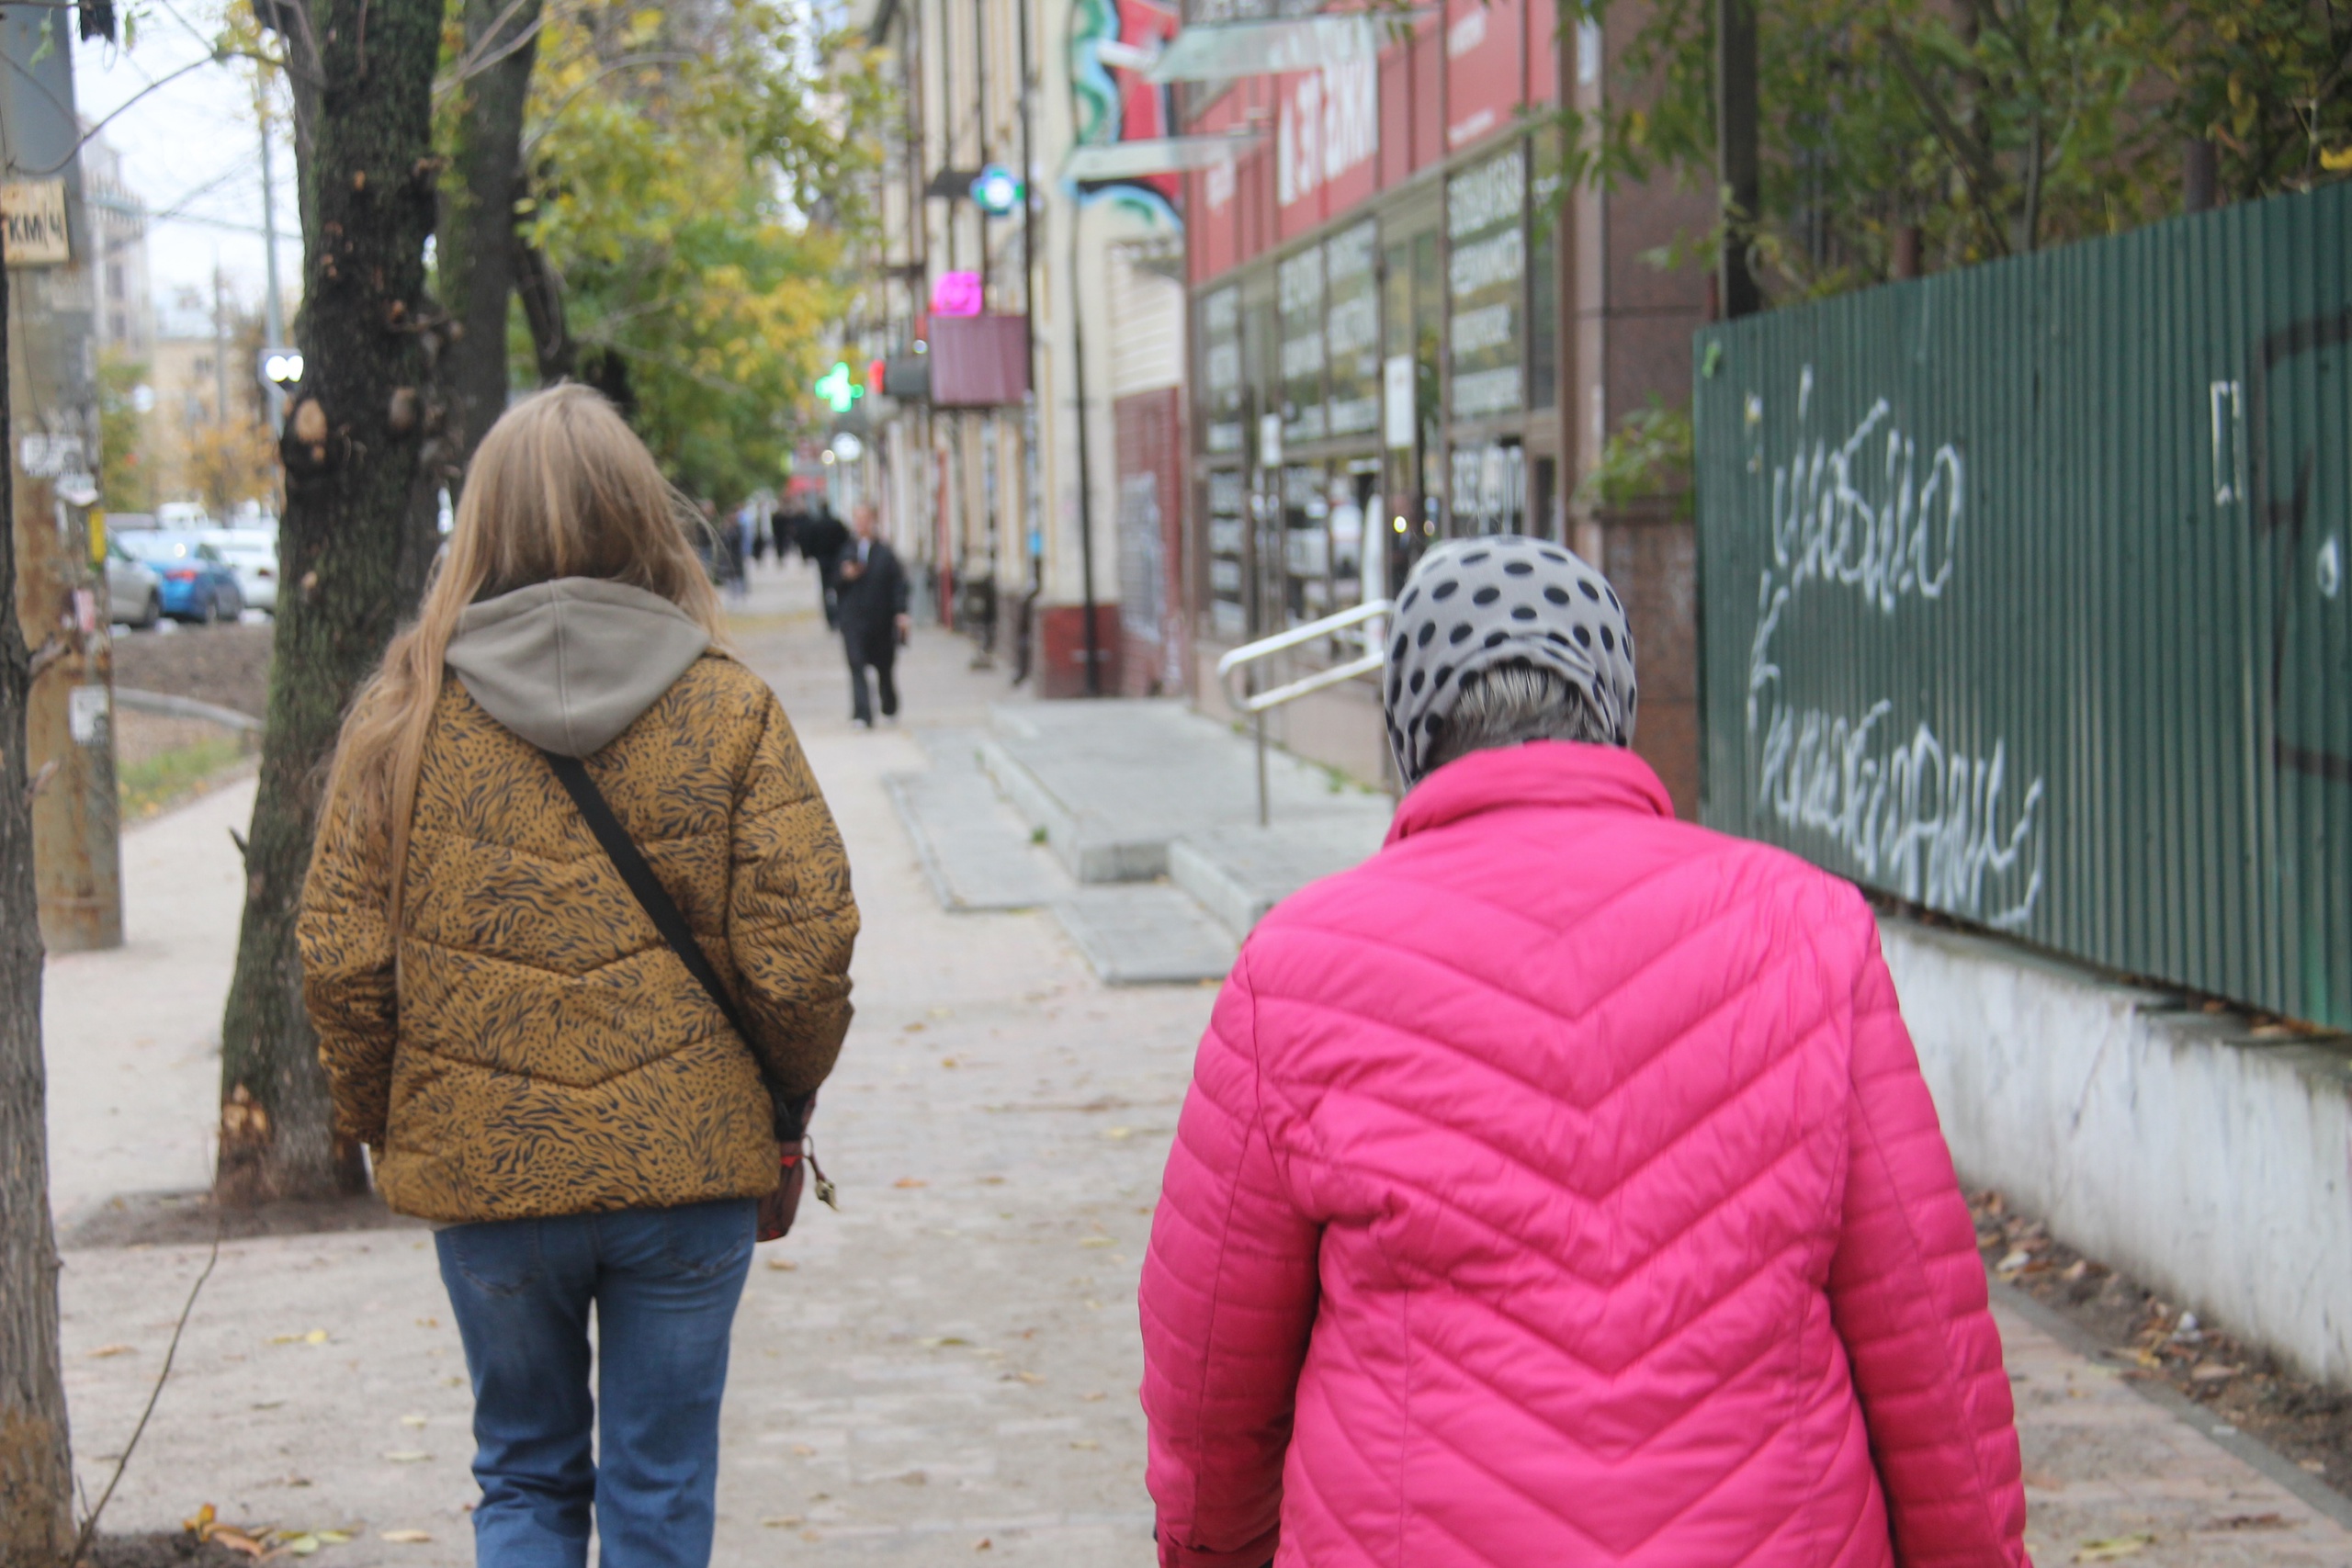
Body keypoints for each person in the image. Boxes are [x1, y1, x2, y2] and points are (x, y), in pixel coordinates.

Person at [1138, 536, 2030, 1568]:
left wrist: (1210, 1552)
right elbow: (1927, 1345)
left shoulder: (1294, 969)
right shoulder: (1806, 930)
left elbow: (1209, 1375)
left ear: (1408, 729)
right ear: (1614, 708)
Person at [297, 385, 860, 1568]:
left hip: (488, 1175)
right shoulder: (728, 709)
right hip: (686, 1170)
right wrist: (784, 1109)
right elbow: (804, 946)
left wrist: (378, 1118)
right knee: (657, 1486)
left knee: (522, 1476)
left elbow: (341, 958)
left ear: (481, 524)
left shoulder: (404, 717)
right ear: (639, 515)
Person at [836, 503, 910, 727]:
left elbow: (899, 584)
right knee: (856, 665)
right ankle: (862, 714)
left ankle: (889, 706)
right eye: (857, 519)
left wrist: (901, 613)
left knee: (884, 666)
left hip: (881, 619)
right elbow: (834, 583)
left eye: (865, 519)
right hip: (853, 619)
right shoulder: (846, 550)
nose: (861, 524)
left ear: (873, 521)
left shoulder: (885, 553)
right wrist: (845, 575)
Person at [797, 502, 849, 629]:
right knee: (838, 587)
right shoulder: (837, 524)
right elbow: (846, 540)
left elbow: (809, 542)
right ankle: (839, 615)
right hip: (836, 560)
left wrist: (808, 556)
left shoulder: (816, 525)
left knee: (826, 590)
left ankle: (831, 618)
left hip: (823, 561)